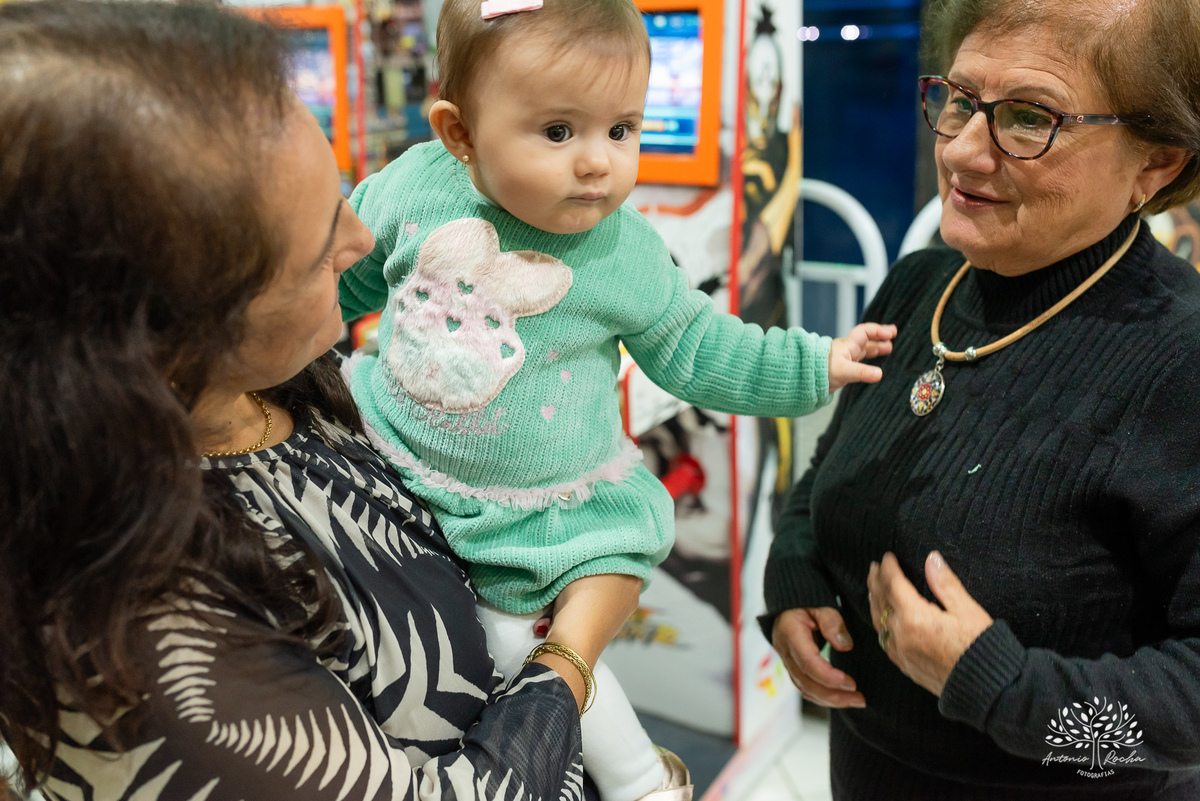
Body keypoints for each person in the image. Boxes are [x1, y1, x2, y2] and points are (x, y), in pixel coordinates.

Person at [0, 2, 642, 799]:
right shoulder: (155, 648)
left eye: (344, 194)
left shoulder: (276, 383)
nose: (362, 243)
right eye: (312, 249)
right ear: (163, 327)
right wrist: (577, 646)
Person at [338, 1, 896, 799]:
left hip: (528, 521)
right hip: (391, 465)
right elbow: (338, 279)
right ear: (458, 133)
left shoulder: (623, 251)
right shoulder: (408, 190)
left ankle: (638, 780)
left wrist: (816, 361)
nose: (599, 163)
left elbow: (702, 347)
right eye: (559, 132)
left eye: (622, 129)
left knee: (517, 647)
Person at [762, 0, 1200, 798]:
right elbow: (836, 466)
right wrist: (793, 577)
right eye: (959, 100)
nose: (962, 149)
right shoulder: (917, 286)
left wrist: (1004, 690)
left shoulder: (1181, 361)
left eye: (1029, 118)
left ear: (1157, 163)